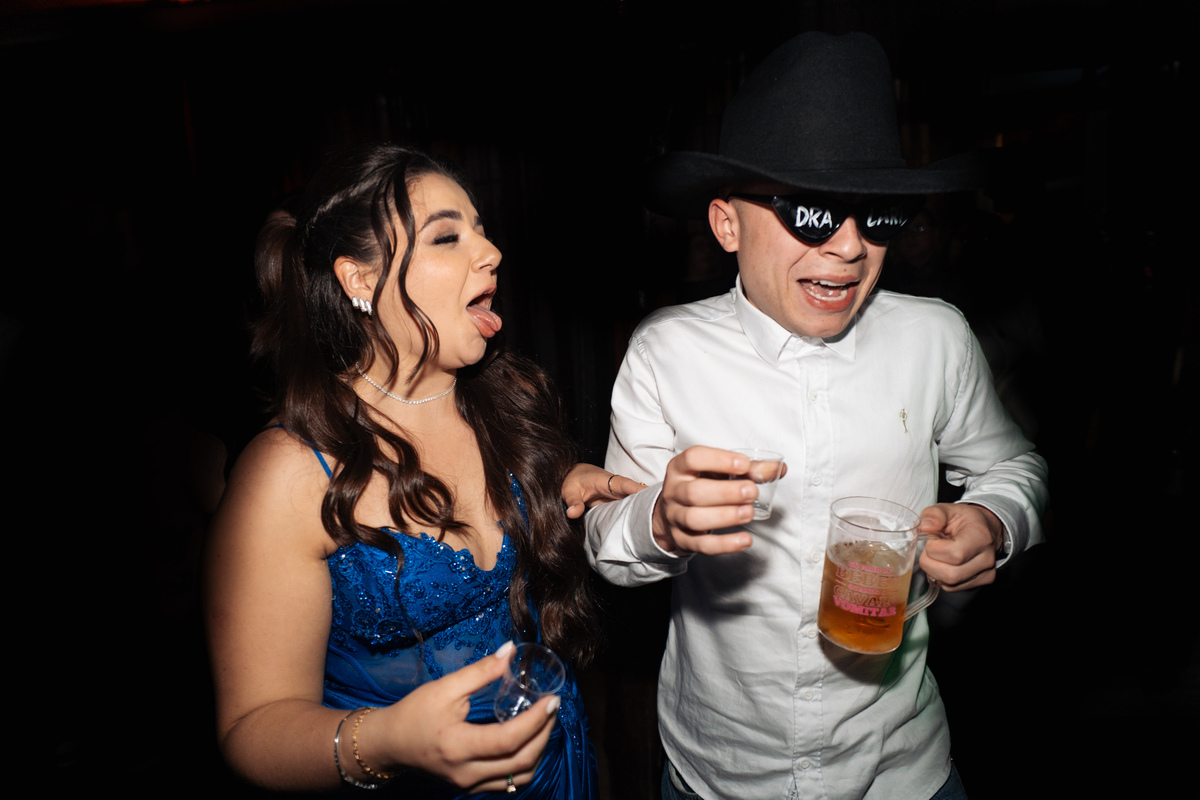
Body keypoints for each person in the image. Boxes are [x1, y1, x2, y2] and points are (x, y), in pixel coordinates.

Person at [586, 33, 1048, 800]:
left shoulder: (935, 337)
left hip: (901, 768)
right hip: (719, 772)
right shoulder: (665, 352)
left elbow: (1015, 465)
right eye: (812, 212)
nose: (849, 247)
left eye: (880, 219)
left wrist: (998, 520)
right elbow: (606, 538)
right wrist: (659, 520)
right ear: (727, 224)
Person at [205, 143, 636, 798]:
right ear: (359, 279)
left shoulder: (506, 404)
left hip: (562, 771)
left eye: (481, 230)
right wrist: (386, 741)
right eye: (446, 237)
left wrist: (563, 487)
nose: (490, 252)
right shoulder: (289, 472)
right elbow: (251, 727)